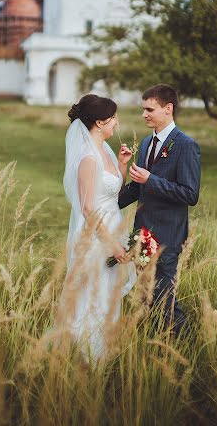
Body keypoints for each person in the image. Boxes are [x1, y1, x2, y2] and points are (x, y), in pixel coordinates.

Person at [58, 94, 136, 361]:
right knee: (94, 297)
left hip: (112, 228)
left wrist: (122, 167)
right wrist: (112, 245)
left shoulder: (105, 151)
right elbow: (89, 208)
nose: (116, 122)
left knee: (108, 296)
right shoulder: (88, 158)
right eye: (113, 117)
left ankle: (102, 356)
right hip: (96, 238)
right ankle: (86, 358)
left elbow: (111, 194)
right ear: (100, 122)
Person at [118, 84, 201, 335]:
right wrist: (105, 203)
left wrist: (150, 180)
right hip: (143, 232)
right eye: (143, 109)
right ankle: (158, 339)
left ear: (168, 109)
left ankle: (186, 341)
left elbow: (190, 194)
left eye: (149, 109)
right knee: (146, 289)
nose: (144, 114)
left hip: (168, 234)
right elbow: (138, 187)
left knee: (164, 293)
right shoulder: (145, 143)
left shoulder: (186, 145)